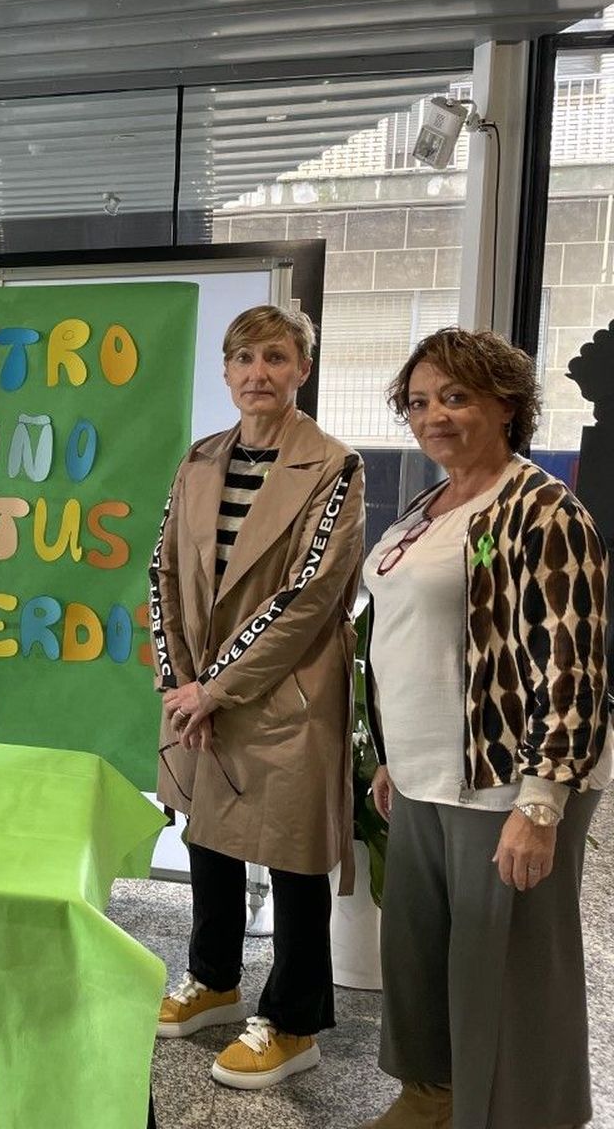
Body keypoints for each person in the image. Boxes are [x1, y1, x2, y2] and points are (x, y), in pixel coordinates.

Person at [359, 327, 609, 1129]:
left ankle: (517, 1117)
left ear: (506, 404)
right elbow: (408, 640)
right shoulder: (431, 505)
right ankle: (432, 1095)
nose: (434, 416)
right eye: (420, 401)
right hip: (427, 773)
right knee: (421, 953)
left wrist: (541, 804)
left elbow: (573, 661)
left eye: (455, 397)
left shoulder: (542, 509)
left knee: (505, 973)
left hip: (505, 781)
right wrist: (395, 757)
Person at [148, 304, 365, 1090]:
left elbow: (309, 594)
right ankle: (214, 978)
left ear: (302, 368)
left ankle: (295, 1019)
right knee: (209, 832)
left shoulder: (335, 467)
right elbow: (163, 572)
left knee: (292, 852)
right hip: (202, 689)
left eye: (275, 358)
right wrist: (179, 685)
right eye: (243, 359)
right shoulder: (200, 459)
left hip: (287, 693)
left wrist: (217, 687)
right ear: (227, 371)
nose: (257, 374)